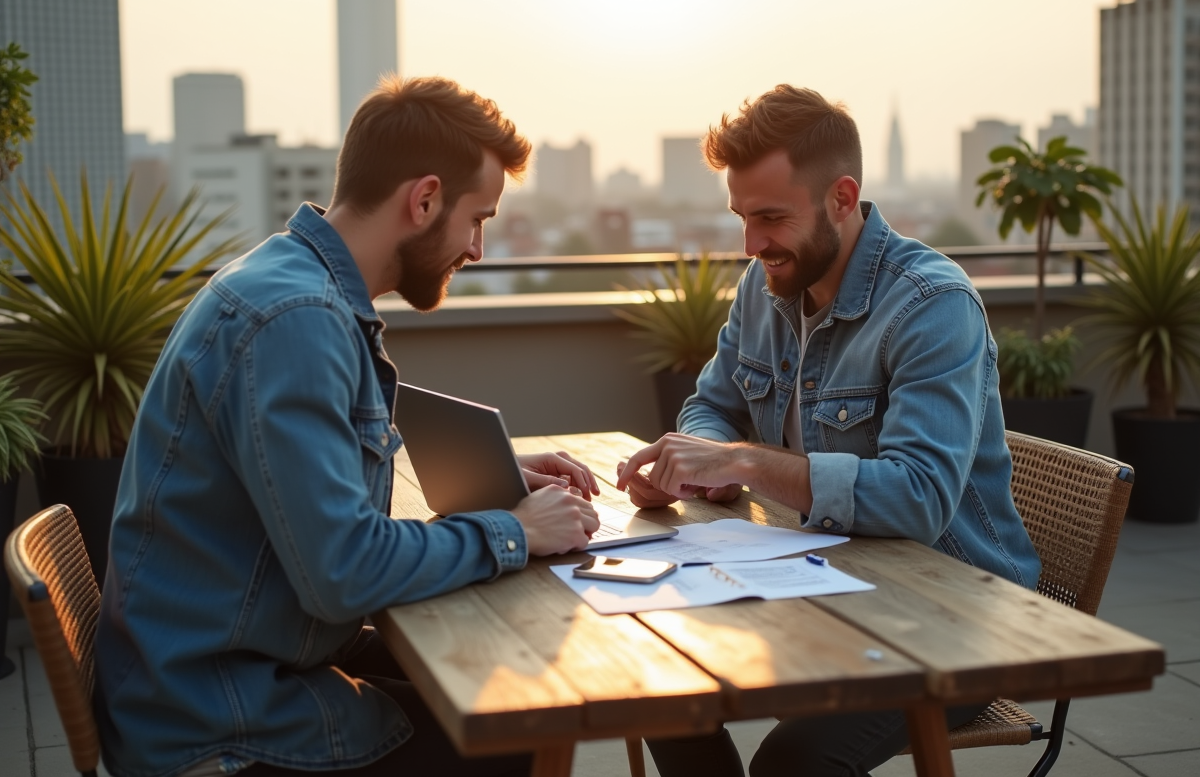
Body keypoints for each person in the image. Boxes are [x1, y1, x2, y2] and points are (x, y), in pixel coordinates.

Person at [94, 76, 603, 777]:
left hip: (230, 662)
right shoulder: (295, 321)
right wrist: (517, 531)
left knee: (492, 687)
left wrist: (504, 486)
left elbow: (318, 494)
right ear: (423, 200)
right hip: (221, 719)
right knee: (508, 726)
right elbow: (343, 571)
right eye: (476, 219)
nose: (478, 248)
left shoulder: (288, 281)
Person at [616, 85, 1042, 777]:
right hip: (816, 579)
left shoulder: (932, 307)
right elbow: (709, 409)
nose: (752, 245)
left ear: (841, 199)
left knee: (794, 762)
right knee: (656, 683)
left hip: (949, 619)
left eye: (772, 218)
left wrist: (745, 464)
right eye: (742, 218)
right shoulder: (765, 283)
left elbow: (918, 498)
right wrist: (702, 465)